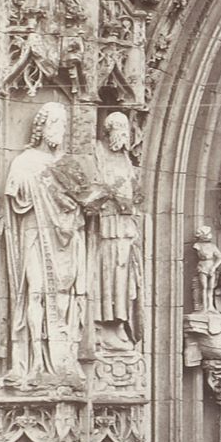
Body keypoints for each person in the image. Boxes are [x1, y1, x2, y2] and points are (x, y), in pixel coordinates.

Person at [3, 102, 106, 389]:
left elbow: (86, 202)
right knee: (36, 291)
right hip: (36, 234)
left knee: (67, 297)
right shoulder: (25, 161)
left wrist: (90, 200)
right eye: (54, 124)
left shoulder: (69, 164)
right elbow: (16, 197)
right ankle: (35, 360)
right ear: (41, 128)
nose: (58, 130)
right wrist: (44, 183)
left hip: (68, 238)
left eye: (63, 124)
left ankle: (65, 359)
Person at [90, 111, 141, 350]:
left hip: (125, 226)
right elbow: (89, 187)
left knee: (123, 275)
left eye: (126, 130)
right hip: (105, 226)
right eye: (118, 128)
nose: (122, 134)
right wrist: (111, 194)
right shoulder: (97, 151)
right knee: (107, 274)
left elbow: (137, 191)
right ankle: (104, 324)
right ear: (108, 130)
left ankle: (121, 321)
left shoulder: (125, 158)